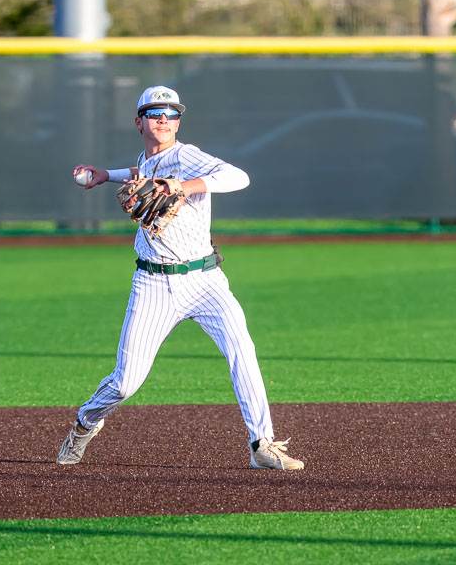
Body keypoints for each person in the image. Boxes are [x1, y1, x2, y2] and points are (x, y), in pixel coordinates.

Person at [56, 85, 303, 471]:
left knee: (242, 350)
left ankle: (262, 444)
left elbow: (238, 177)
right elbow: (144, 172)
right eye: (155, 113)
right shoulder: (149, 159)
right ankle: (85, 423)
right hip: (153, 283)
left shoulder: (187, 156)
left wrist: (184, 187)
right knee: (125, 382)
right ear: (139, 122)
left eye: (172, 114)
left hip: (205, 280)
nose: (164, 119)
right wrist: (107, 175)